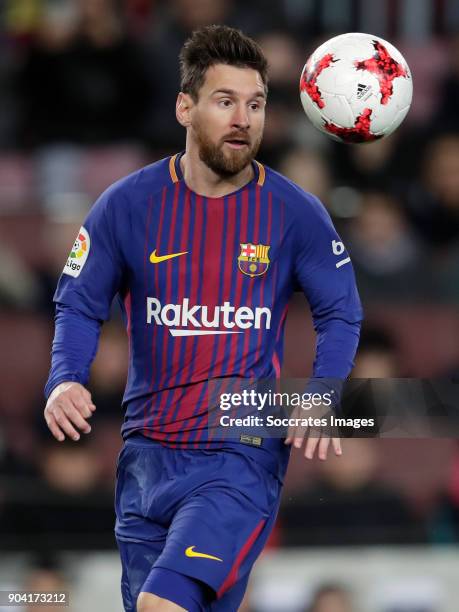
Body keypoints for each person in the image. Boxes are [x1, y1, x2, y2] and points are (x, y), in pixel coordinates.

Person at [44, 25, 362, 612]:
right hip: (145, 458)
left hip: (238, 453)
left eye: (256, 104)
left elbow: (341, 312)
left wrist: (324, 391)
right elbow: (79, 302)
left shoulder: (296, 214)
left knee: (161, 607)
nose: (244, 118)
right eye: (225, 101)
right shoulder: (126, 206)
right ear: (184, 107)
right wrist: (65, 376)